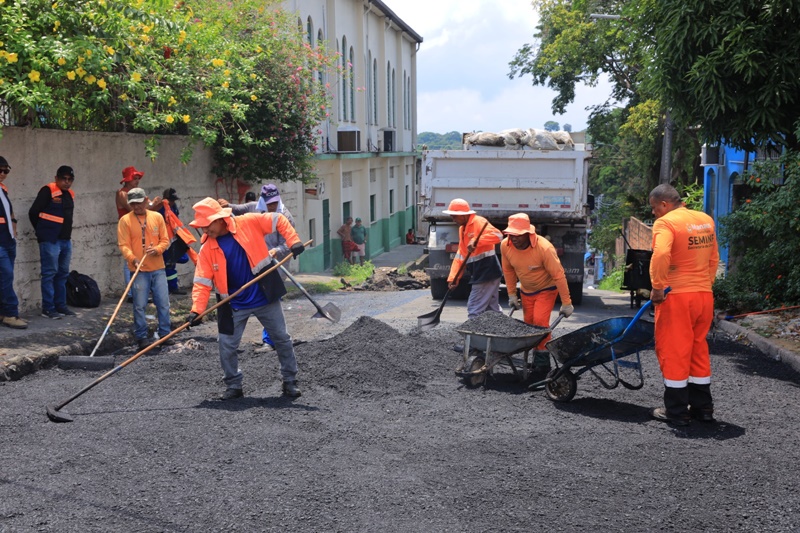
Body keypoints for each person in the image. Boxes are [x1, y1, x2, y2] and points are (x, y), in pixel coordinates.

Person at [186, 197, 305, 399]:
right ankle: (233, 385)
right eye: (202, 228)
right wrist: (197, 310)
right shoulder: (207, 249)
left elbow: (278, 220)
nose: (205, 231)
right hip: (233, 303)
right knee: (226, 345)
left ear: (219, 219)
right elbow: (202, 283)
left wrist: (293, 241)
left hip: (264, 295)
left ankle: (290, 381)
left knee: (282, 339)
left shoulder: (248, 222)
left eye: (207, 226)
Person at [648, 184, 720, 426]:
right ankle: (703, 408)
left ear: (665, 204)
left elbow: (660, 254)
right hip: (703, 296)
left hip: (677, 296)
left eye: (654, 207)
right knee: (698, 349)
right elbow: (713, 258)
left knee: (675, 350)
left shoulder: (666, 223)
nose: (654, 213)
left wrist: (658, 287)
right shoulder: (705, 220)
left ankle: (677, 412)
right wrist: (704, 285)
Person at [220, 184, 296, 351]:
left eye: (274, 203)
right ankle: (255, 338)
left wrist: (276, 250)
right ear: (262, 200)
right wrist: (225, 205)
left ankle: (270, 340)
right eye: (269, 203)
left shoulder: (285, 216)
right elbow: (236, 209)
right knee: (255, 296)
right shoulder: (253, 208)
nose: (272, 206)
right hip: (254, 264)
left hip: (274, 265)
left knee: (271, 299)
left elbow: (288, 244)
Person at [500, 213, 573, 381]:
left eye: (518, 235)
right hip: (527, 291)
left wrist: (566, 302)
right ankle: (535, 360)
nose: (514, 238)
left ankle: (542, 364)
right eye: (511, 234)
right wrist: (512, 293)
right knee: (530, 327)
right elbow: (509, 270)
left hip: (547, 289)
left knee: (540, 325)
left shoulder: (544, 248)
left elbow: (559, 275)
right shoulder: (505, 246)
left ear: (528, 234)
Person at [118, 188, 174, 351]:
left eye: (139, 203)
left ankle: (165, 334)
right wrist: (132, 259)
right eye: (133, 204)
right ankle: (142, 337)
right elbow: (123, 245)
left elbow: (165, 240)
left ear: (146, 200)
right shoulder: (125, 221)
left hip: (158, 268)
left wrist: (157, 249)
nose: (137, 207)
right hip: (139, 270)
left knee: (163, 302)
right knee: (139, 305)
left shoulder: (157, 217)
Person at [29, 165, 77, 319]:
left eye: (70, 179)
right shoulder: (48, 191)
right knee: (49, 274)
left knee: (62, 274)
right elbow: (33, 212)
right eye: (64, 179)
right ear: (57, 178)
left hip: (65, 240)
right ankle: (48, 308)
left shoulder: (69, 194)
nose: (67, 182)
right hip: (50, 240)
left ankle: (61, 306)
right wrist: (42, 232)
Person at [443, 198, 503, 319]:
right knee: (491, 310)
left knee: (474, 308)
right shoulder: (462, 229)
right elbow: (461, 255)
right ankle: (502, 334)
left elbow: (498, 236)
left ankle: (473, 336)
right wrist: (454, 278)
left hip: (486, 271)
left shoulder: (479, 222)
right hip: (483, 272)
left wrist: (477, 240)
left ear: (464, 215)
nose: (453, 219)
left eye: (455, 216)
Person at [116, 166, 161, 297]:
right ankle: (131, 292)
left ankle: (142, 290)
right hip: (128, 226)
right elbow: (133, 209)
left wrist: (156, 204)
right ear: (127, 180)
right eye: (134, 178)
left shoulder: (138, 194)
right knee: (129, 259)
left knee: (142, 255)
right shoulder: (122, 193)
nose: (137, 181)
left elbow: (148, 211)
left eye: (138, 178)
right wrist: (150, 204)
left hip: (141, 226)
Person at [0, 156, 27, 329]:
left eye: (6, 171)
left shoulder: (2, 191)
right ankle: (11, 313)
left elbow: (9, 213)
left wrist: (14, 225)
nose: (3, 174)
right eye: (0, 170)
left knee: (4, 278)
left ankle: (3, 312)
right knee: (6, 276)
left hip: (8, 240)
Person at [158, 187, 195, 295]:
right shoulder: (160, 208)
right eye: (171, 200)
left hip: (174, 239)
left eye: (174, 200)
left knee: (182, 259)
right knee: (169, 264)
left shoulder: (173, 206)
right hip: (164, 240)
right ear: (165, 198)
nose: (172, 202)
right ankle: (172, 288)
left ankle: (171, 286)